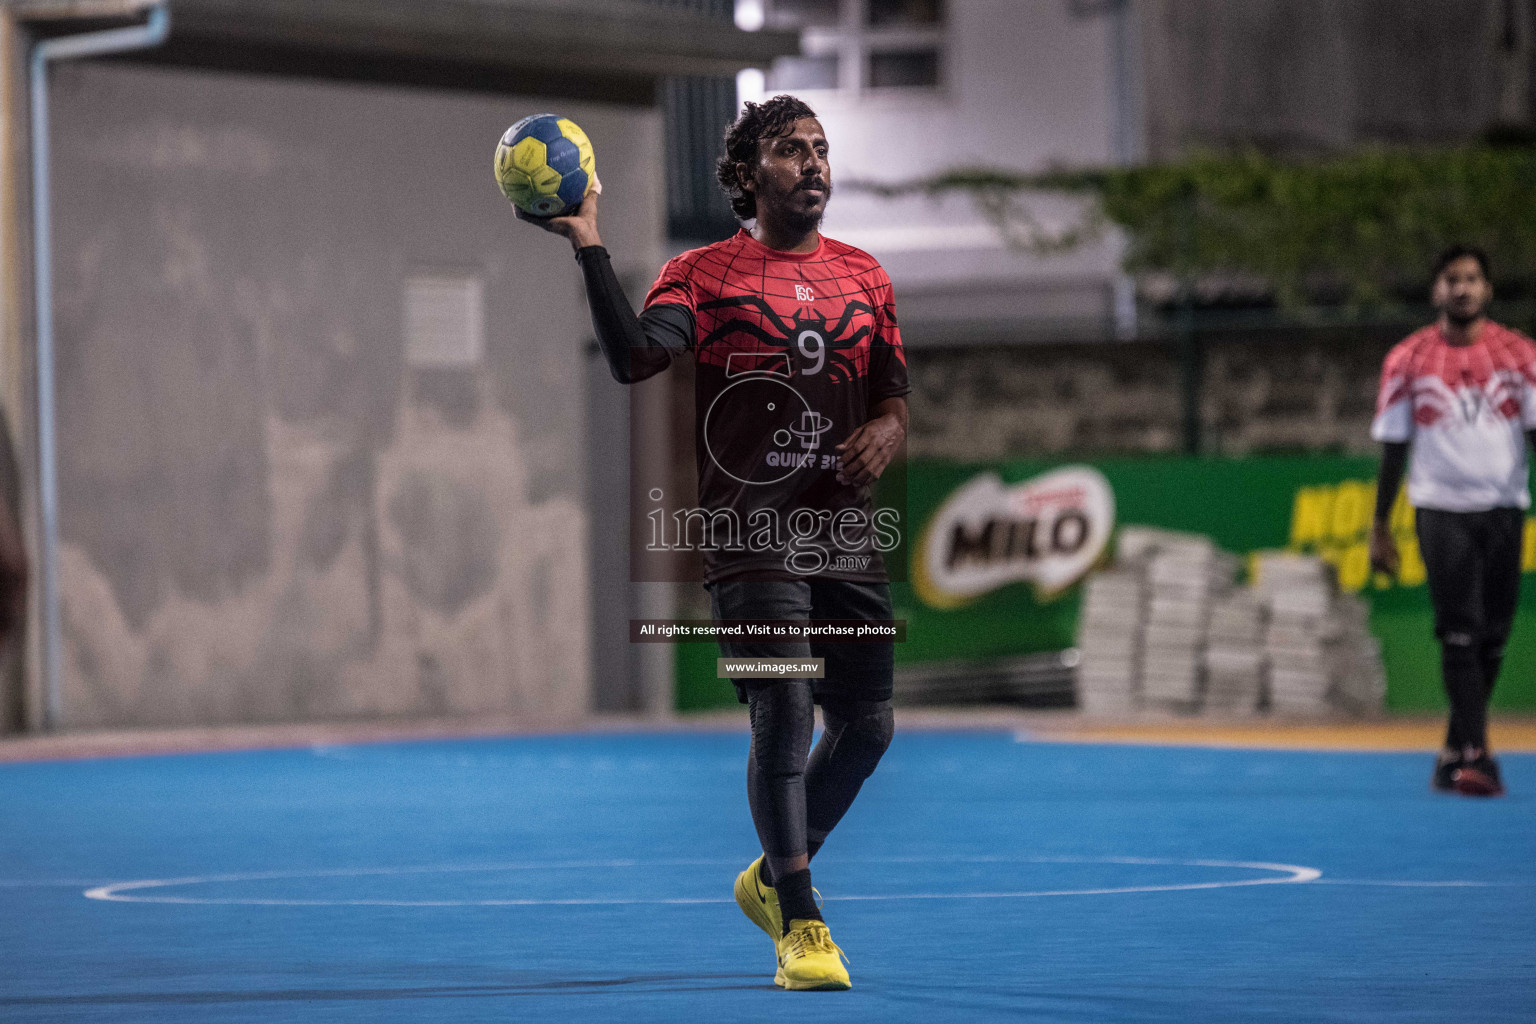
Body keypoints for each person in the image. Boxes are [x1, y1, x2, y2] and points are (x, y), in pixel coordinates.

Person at [516, 95, 908, 990]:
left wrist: (887, 433)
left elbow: (890, 399)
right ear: (744, 175)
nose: (811, 163)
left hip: (843, 530)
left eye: (819, 148)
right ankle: (802, 927)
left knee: (871, 725)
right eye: (787, 150)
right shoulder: (702, 273)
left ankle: (771, 876)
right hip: (750, 530)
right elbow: (633, 360)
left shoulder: (867, 277)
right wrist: (589, 243)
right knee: (788, 707)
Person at [1369, 244, 1534, 798]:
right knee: (1459, 632)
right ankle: (1479, 756)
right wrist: (1379, 526)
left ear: (1487, 288)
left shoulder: (1521, 355)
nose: (1462, 288)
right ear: (1437, 289)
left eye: (1472, 279)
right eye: (1451, 279)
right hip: (1440, 509)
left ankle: (1451, 749)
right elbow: (1393, 449)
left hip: (1504, 506)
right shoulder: (1407, 359)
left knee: (1494, 638)